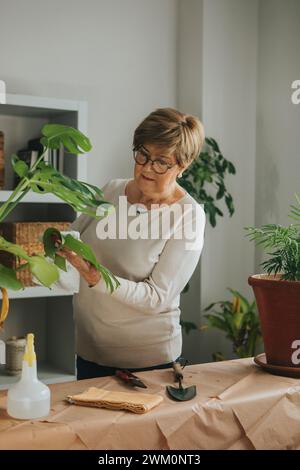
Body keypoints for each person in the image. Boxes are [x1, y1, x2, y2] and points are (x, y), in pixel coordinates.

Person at [59, 107, 206, 379]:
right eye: (143, 154)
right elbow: (72, 238)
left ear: (182, 166)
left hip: (148, 362)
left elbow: (156, 297)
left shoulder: (188, 216)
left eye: (162, 161)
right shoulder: (112, 190)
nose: (147, 167)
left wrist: (94, 276)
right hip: (90, 351)